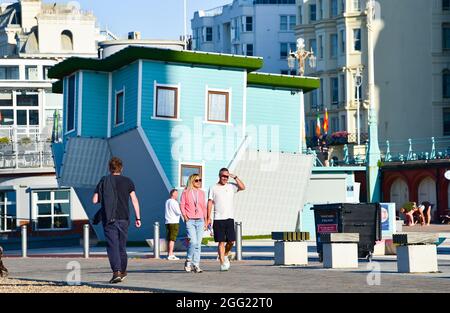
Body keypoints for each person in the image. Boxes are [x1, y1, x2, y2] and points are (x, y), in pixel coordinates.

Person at [92, 157, 141, 284]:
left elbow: (95, 200)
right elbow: (134, 200)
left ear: (109, 168)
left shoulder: (104, 180)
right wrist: (138, 217)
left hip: (109, 218)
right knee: (121, 246)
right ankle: (123, 271)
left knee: (112, 246)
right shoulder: (128, 181)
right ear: (121, 168)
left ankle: (116, 273)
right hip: (124, 218)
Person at [207, 168, 245, 271]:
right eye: (223, 176)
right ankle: (222, 263)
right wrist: (208, 217)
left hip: (229, 218)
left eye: (227, 176)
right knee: (221, 242)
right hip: (218, 218)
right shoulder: (213, 187)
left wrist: (235, 177)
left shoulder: (231, 186)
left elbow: (243, 187)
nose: (225, 178)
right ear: (219, 176)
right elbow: (210, 202)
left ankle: (224, 254)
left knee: (231, 241)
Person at [180, 174, 207, 273]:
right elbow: (182, 205)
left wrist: (206, 220)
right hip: (190, 220)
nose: (199, 182)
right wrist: (185, 216)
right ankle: (188, 260)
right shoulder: (186, 192)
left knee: (198, 244)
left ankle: (196, 265)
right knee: (193, 242)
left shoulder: (202, 193)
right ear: (192, 181)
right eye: (197, 180)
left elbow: (204, 207)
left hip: (200, 220)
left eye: (200, 180)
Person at [165, 189, 182, 260]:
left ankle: (169, 253)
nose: (177, 195)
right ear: (173, 194)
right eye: (176, 193)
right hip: (174, 222)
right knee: (172, 239)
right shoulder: (174, 202)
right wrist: (181, 207)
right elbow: (178, 212)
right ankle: (170, 254)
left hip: (168, 221)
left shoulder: (167, 201)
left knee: (169, 238)